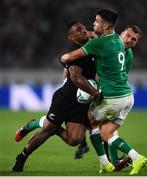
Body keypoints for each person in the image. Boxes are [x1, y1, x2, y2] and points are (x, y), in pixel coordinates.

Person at [60, 8, 147, 175]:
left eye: (97, 21)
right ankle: (111, 163)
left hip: (113, 97)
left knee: (90, 122)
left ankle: (128, 159)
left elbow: (69, 57)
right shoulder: (117, 41)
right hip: (128, 97)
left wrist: (62, 60)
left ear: (107, 26)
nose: (93, 23)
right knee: (108, 131)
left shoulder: (99, 43)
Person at [12, 21, 99, 172]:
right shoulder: (74, 52)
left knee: (74, 140)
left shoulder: (90, 43)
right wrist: (95, 93)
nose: (84, 31)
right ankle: (22, 157)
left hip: (80, 103)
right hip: (65, 100)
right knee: (45, 132)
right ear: (71, 37)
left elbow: (95, 34)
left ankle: (50, 127)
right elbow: (76, 77)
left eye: (84, 28)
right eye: (79, 30)